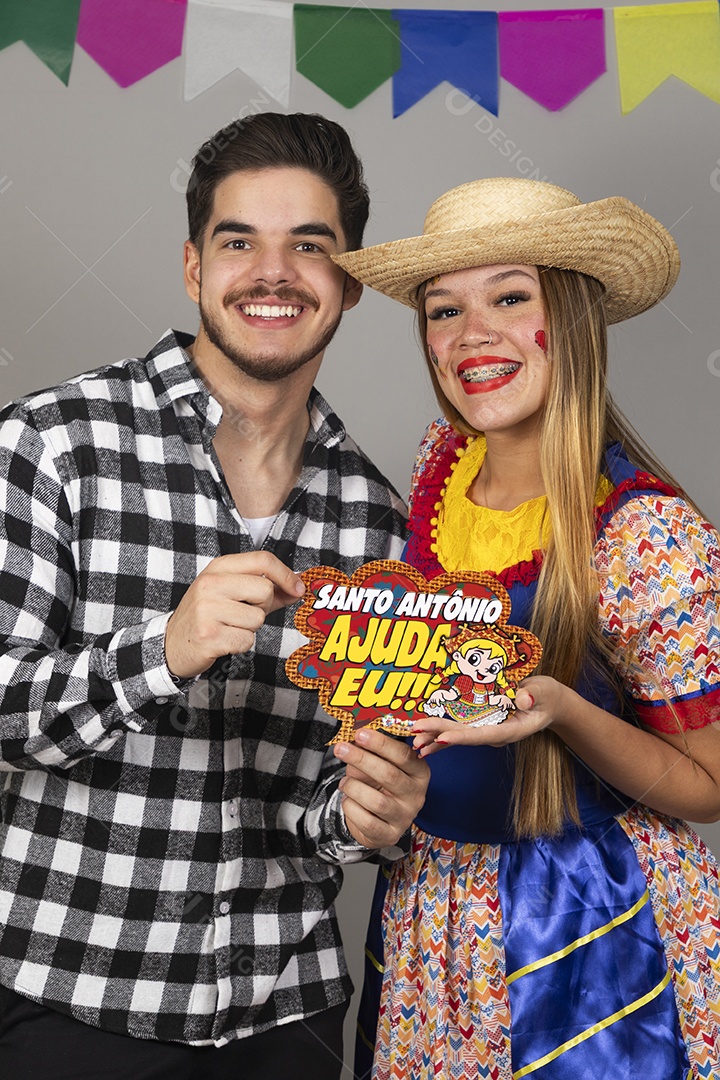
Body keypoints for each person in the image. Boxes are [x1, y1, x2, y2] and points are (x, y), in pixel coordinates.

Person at [0, 112, 429, 1080]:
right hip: (74, 1003)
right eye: (240, 242)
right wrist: (163, 650)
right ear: (195, 268)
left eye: (309, 246)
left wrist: (362, 815)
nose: (272, 272)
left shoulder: (377, 523)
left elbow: (318, 803)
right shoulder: (52, 444)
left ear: (349, 282)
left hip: (288, 1017)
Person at [335, 177, 720, 1079]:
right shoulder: (439, 471)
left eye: (511, 298)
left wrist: (558, 708)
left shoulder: (642, 532)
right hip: (435, 911)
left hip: (591, 918)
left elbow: (708, 786)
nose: (471, 336)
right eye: (443, 310)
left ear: (573, 319)